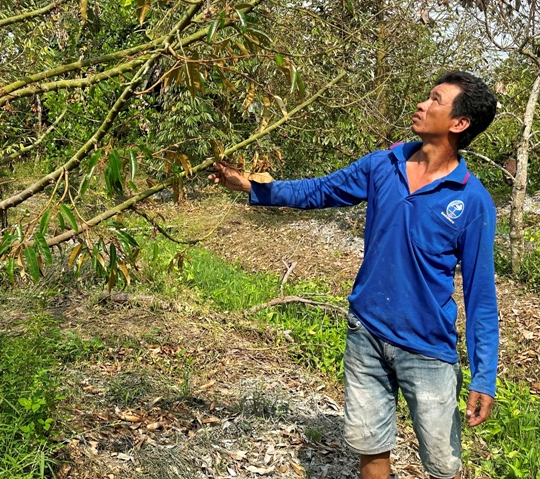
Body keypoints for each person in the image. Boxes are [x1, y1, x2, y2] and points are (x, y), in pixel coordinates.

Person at [210, 71, 499, 479]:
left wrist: (483, 377)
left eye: (435, 100)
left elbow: (481, 295)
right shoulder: (385, 164)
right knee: (370, 448)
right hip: (366, 332)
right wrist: (252, 187)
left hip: (428, 349)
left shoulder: (472, 200)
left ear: (459, 123)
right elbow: (318, 190)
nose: (422, 104)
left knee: (442, 465)